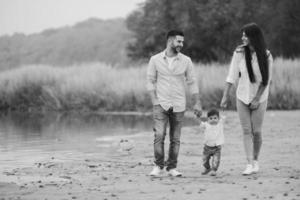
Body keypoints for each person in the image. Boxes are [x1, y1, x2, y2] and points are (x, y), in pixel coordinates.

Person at [147, 30, 202, 177]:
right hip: (161, 103)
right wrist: (155, 101)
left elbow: (192, 83)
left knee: (175, 139)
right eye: (179, 41)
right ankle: (158, 166)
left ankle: (172, 167)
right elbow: (150, 81)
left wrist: (196, 103)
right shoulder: (155, 60)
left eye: (182, 42)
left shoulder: (186, 61)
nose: (181, 44)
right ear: (170, 41)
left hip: (178, 104)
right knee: (159, 135)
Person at [220, 23, 273, 175]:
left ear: (254, 37)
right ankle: (249, 163)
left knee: (256, 131)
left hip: (260, 97)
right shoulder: (239, 52)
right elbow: (231, 75)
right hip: (242, 95)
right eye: (242, 34)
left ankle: (256, 160)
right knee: (246, 130)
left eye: (246, 35)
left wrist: (257, 99)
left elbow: (266, 80)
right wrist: (225, 96)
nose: (242, 37)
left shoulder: (267, 56)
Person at [197, 108, 225, 176]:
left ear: (218, 118)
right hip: (207, 147)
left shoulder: (220, 124)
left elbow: (223, 116)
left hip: (217, 147)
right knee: (204, 160)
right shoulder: (206, 124)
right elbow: (200, 123)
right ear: (207, 119)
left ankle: (213, 170)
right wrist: (198, 117)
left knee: (216, 160)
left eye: (215, 118)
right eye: (211, 118)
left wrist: (223, 108)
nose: (213, 120)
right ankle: (207, 168)